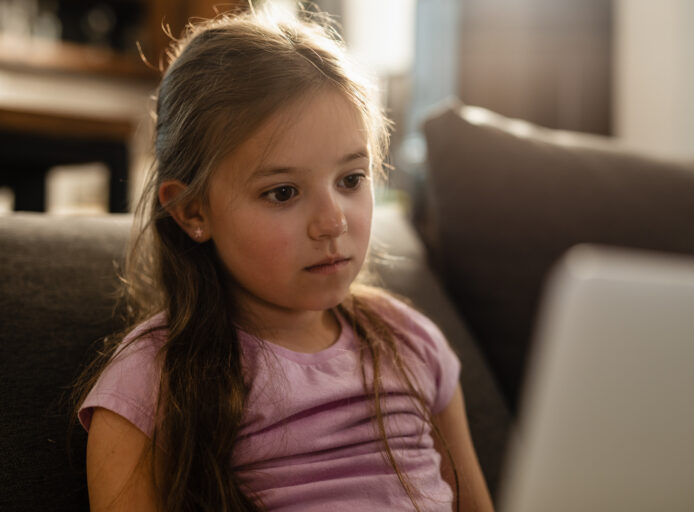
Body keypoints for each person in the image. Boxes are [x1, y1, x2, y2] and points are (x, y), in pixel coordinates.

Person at [73, 5, 493, 512]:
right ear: (191, 211)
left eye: (351, 180)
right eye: (283, 192)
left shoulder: (411, 343)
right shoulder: (152, 380)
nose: (333, 221)